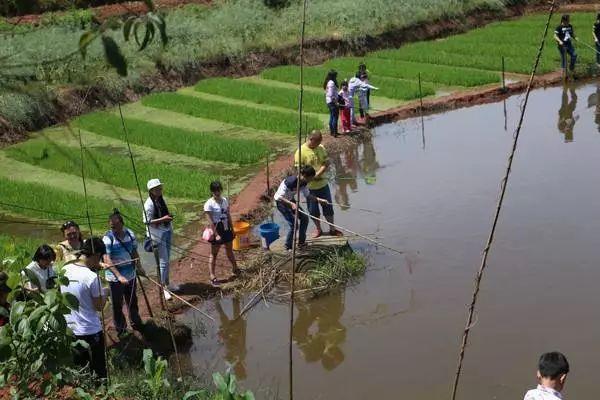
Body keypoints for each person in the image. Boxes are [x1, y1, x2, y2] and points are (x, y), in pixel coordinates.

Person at [60, 237, 108, 381]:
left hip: (71, 329)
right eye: (99, 258)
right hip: (90, 331)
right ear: (97, 255)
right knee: (99, 371)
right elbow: (99, 306)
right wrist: (106, 291)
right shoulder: (91, 277)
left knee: (81, 370)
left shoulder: (65, 269)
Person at [294, 130, 343, 238]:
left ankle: (332, 229)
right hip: (310, 188)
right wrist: (310, 178)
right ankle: (318, 229)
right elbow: (299, 170)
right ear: (311, 139)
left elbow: (326, 163)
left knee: (328, 207)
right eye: (316, 142)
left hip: (323, 184)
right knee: (313, 210)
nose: (318, 144)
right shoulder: (300, 152)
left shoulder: (321, 148)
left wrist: (317, 175)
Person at [102, 210, 143, 336]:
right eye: (111, 226)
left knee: (132, 300)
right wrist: (119, 276)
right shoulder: (108, 238)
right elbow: (106, 259)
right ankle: (121, 329)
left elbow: (134, 252)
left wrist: (139, 267)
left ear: (121, 223)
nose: (113, 228)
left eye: (115, 225)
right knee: (117, 304)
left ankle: (136, 322)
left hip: (130, 274)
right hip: (115, 278)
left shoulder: (130, 234)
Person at [274, 166, 329, 251]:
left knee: (304, 218)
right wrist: (291, 204)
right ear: (304, 176)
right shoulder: (290, 182)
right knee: (294, 225)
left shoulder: (303, 183)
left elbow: (308, 195)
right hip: (282, 203)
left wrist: (320, 200)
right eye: (310, 178)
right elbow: (279, 197)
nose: (310, 181)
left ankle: (301, 242)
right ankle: (288, 246)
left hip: (291, 201)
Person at [143, 178, 176, 300]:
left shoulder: (160, 199)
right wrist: (163, 219)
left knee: (167, 260)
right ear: (151, 191)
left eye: (160, 188)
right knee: (163, 262)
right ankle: (164, 288)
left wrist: (167, 219)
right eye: (157, 188)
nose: (160, 190)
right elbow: (147, 221)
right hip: (158, 235)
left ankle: (167, 283)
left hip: (167, 231)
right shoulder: (148, 204)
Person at [204, 181, 239, 287]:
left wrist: (232, 229)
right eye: (215, 191)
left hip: (226, 227)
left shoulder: (224, 200)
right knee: (214, 254)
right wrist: (216, 234)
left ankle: (235, 268)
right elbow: (209, 221)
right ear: (212, 191)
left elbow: (228, 215)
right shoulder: (209, 204)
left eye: (219, 190)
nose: (217, 192)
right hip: (216, 229)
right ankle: (212, 276)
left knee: (229, 250)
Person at [323, 70, 339, 137]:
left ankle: (332, 132)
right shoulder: (331, 83)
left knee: (332, 116)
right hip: (332, 102)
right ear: (333, 76)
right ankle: (334, 132)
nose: (336, 77)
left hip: (329, 101)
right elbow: (330, 94)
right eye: (335, 75)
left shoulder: (328, 82)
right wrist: (336, 102)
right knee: (335, 117)